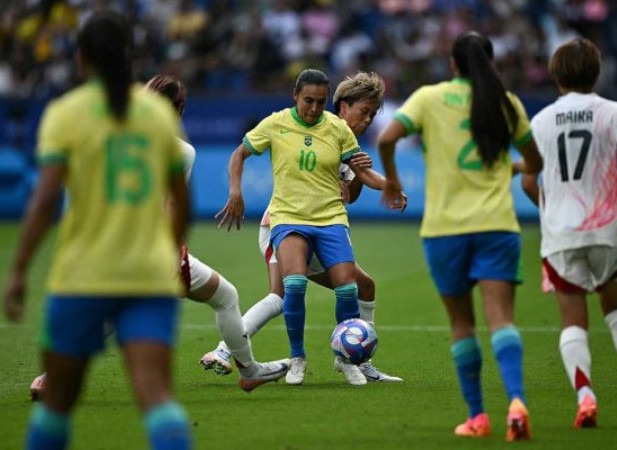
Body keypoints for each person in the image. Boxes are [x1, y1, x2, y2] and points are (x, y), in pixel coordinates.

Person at [27, 75, 291, 401]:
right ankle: (248, 372)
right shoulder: (180, 150)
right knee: (221, 299)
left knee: (119, 310)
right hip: (154, 250)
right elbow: (173, 206)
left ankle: (50, 376)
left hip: (110, 243)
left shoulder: (115, 138)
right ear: (179, 110)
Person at [3, 11, 193, 449]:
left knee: (55, 407)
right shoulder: (159, 117)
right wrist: (167, 252)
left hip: (81, 274)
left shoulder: (65, 114)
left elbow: (45, 200)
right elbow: (181, 202)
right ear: (127, 55)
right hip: (146, 275)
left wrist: (18, 270)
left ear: (80, 57)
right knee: (158, 400)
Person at [377, 31, 543, 441]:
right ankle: (517, 403)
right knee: (501, 319)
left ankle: (478, 417)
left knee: (462, 325)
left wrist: (393, 182)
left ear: (452, 64)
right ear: (491, 63)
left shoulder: (429, 98)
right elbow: (535, 159)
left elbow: (387, 138)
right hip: (497, 226)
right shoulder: (508, 104)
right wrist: (512, 168)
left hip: (445, 229)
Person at [200, 72, 404, 385]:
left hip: (321, 225)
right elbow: (243, 152)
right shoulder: (299, 126)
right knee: (282, 295)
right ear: (342, 106)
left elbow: (351, 193)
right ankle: (226, 350)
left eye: (373, 114)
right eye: (364, 112)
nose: (368, 120)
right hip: (281, 223)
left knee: (361, 286)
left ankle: (357, 359)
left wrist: (360, 185)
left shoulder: (346, 143)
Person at [522, 38, 617, 429]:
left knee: (573, 321)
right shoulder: (613, 111)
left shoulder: (541, 121)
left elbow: (527, 178)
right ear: (596, 72)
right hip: (610, 228)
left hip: (561, 234)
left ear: (555, 75)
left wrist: (546, 200)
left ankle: (586, 397)